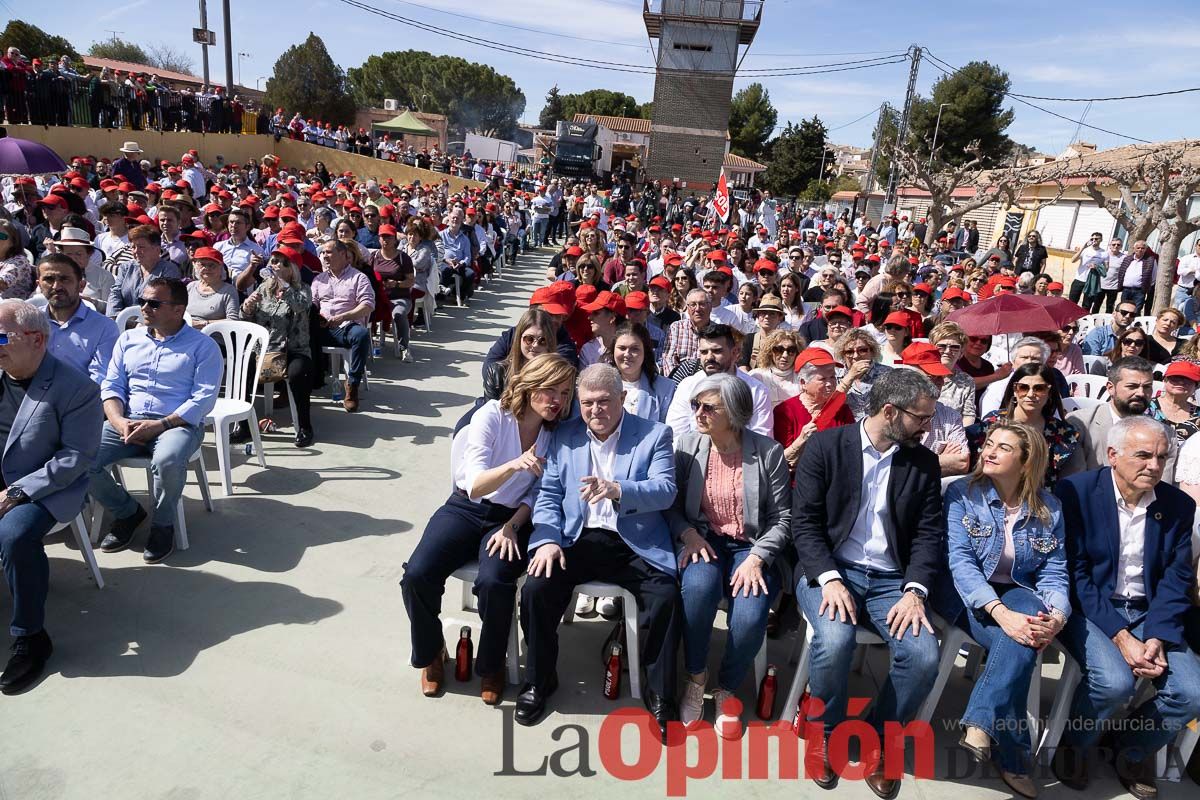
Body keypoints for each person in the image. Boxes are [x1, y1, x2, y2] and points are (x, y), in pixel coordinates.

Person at [791, 368, 943, 795]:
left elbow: (929, 535)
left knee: (922, 655)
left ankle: (880, 736)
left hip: (892, 579)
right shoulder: (826, 447)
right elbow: (804, 525)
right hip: (829, 568)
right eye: (921, 418)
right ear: (890, 411)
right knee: (836, 639)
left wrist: (915, 591)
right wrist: (830, 579)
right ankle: (826, 730)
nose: (928, 426)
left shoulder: (923, 462)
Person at [516, 364, 681, 739]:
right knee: (536, 589)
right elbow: (549, 497)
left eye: (605, 401)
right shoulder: (565, 437)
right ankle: (539, 681)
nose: (596, 410)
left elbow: (666, 489)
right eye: (587, 403)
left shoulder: (654, 434)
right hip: (578, 537)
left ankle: (660, 694)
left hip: (634, 541)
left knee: (665, 597)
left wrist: (619, 489)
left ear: (623, 398)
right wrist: (547, 539)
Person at [401, 354, 575, 705]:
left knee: (495, 581)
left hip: (513, 518)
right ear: (530, 386)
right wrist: (514, 464)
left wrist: (511, 527)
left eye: (566, 392)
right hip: (466, 507)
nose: (558, 400)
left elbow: (540, 495)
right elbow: (475, 484)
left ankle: (491, 663)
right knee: (417, 574)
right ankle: (431, 651)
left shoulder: (555, 434)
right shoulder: (493, 416)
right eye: (551, 390)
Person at [1051, 417, 1200, 798]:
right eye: (1144, 456)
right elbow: (1076, 574)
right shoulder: (1076, 492)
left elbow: (1176, 579)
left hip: (1151, 612)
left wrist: (1158, 636)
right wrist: (1120, 635)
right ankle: (1075, 746)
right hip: (1090, 608)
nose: (1154, 465)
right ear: (1113, 455)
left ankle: (1129, 748)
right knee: (1114, 682)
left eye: (1161, 457)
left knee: (1191, 692)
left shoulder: (1177, 505)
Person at [940, 423, 1070, 798]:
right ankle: (1012, 757)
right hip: (961, 592)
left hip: (1018, 590)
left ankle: (981, 724)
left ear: (1027, 461)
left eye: (1003, 448)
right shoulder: (963, 494)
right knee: (1018, 642)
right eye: (989, 445)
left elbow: (1054, 571)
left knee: (1028, 628)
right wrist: (1000, 613)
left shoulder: (1049, 508)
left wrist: (1057, 617)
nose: (989, 452)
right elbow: (960, 563)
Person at [668, 374, 791, 734]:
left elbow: (784, 517)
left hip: (751, 547)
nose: (699, 413)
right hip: (703, 539)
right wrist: (688, 533)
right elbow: (671, 507)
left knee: (750, 616)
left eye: (708, 407)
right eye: (696, 405)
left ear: (734, 411)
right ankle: (695, 676)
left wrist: (758, 557)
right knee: (698, 590)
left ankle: (727, 687)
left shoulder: (768, 452)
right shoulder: (688, 447)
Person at [0, 300, 102, 695]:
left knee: (15, 534)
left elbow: (76, 458)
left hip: (45, 486)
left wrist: (16, 492)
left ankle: (31, 636)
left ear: (37, 339)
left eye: (2, 337)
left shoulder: (75, 389)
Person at [89, 278, 222, 563]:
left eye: (154, 303)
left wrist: (161, 425)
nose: (144, 307)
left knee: (167, 460)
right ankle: (128, 512)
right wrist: (117, 420)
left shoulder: (203, 346)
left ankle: (163, 525)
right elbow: (112, 386)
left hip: (177, 424)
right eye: (142, 301)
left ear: (178, 310)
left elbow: (203, 399)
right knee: (79, 456)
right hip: (128, 421)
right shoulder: (129, 339)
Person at [240, 247, 317, 447]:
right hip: (264, 348)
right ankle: (243, 426)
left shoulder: (303, 290)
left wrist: (284, 286)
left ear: (291, 268)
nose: (274, 265)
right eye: (272, 260)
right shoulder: (264, 287)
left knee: (298, 374)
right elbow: (246, 318)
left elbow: (300, 306)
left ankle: (304, 427)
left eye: (280, 262)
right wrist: (247, 307)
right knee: (241, 368)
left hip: (293, 350)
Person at [1062, 356, 1174, 480]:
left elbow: (1163, 487)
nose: (1141, 393)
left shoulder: (1166, 435)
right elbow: (1076, 483)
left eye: (1147, 387)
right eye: (1132, 386)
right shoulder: (1080, 424)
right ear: (1110, 388)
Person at [665, 324, 772, 438]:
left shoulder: (756, 391)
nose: (709, 357)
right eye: (704, 352)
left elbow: (761, 440)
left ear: (735, 352)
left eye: (717, 351)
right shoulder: (687, 386)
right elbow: (675, 436)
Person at [311, 239, 374, 413]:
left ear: (343, 255)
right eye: (323, 252)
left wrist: (342, 317)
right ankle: (311, 379)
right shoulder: (319, 279)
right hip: (324, 327)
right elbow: (312, 304)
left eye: (329, 252)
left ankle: (352, 386)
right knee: (301, 331)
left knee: (361, 335)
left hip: (347, 326)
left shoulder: (358, 278)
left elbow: (367, 305)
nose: (324, 256)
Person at [37, 254, 118, 385]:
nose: (56, 287)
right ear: (39, 285)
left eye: (65, 279)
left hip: (79, 400)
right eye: (49, 279)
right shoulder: (28, 322)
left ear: (81, 285)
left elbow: (99, 378)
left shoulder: (104, 327)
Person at [107, 224, 184, 319]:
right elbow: (115, 293)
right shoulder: (126, 267)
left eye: (141, 247)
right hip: (123, 319)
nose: (136, 251)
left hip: (153, 321)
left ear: (157, 249)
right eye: (133, 247)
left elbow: (164, 302)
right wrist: (115, 316)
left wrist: (141, 322)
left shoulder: (169, 270)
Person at [610, 321, 674, 423]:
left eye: (634, 349)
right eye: (622, 348)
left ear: (646, 352)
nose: (627, 354)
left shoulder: (665, 388)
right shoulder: (601, 384)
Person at [369, 224, 416, 362]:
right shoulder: (374, 257)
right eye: (383, 237)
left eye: (388, 237)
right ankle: (369, 344)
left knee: (399, 313)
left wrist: (396, 284)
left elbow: (410, 281)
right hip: (378, 297)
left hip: (399, 297)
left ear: (395, 239)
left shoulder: (403, 258)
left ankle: (404, 347)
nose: (385, 240)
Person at [836, 328, 892, 421]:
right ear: (843, 355)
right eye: (849, 352)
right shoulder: (834, 376)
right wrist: (850, 377)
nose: (856, 356)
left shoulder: (888, 373)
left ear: (872, 351)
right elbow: (830, 406)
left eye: (862, 350)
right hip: (849, 429)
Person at [929, 322, 977, 426]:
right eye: (941, 346)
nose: (947, 351)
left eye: (955, 347)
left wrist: (959, 437)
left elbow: (968, 415)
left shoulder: (967, 381)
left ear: (961, 352)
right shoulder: (921, 375)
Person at [185, 248, 241, 330]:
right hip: (186, 334)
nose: (207, 268)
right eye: (202, 264)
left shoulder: (228, 291)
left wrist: (203, 324)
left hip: (212, 337)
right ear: (195, 265)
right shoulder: (190, 287)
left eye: (212, 265)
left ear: (221, 267)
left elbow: (233, 320)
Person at [660, 289, 712, 377]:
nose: (697, 309)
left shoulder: (718, 331)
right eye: (693, 305)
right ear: (687, 309)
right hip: (680, 381)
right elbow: (668, 359)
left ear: (710, 306)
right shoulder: (676, 327)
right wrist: (679, 381)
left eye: (702, 304)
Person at [748, 329, 804, 408]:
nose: (785, 355)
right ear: (770, 352)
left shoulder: (804, 378)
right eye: (779, 350)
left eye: (791, 350)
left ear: (797, 353)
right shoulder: (755, 376)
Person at [1148, 360, 1200, 444]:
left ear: (1196, 386)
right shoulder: (1147, 407)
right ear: (1165, 380)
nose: (1181, 382)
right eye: (1175, 378)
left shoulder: (1198, 414)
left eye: (1188, 379)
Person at [1116, 240, 1157, 315]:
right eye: (1138, 248)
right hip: (1126, 290)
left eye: (1142, 248)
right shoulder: (1127, 259)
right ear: (1134, 248)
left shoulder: (1150, 260)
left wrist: (1145, 286)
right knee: (1123, 310)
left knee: (1136, 311)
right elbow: (1121, 273)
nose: (1140, 250)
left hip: (1139, 291)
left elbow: (1153, 277)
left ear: (1145, 249)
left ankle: (1134, 326)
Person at [0, 219, 35, 300]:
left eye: (1, 236)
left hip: (14, 309)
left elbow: (2, 283)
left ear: (12, 242)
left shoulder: (19, 261)